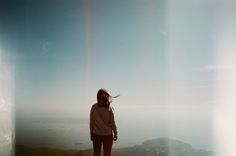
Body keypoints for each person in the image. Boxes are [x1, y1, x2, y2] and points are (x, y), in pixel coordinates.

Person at [90, 89, 118, 156]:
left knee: (96, 154)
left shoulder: (94, 107)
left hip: (96, 134)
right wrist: (115, 133)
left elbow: (91, 123)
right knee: (107, 154)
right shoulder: (109, 108)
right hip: (108, 135)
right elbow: (112, 122)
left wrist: (91, 134)